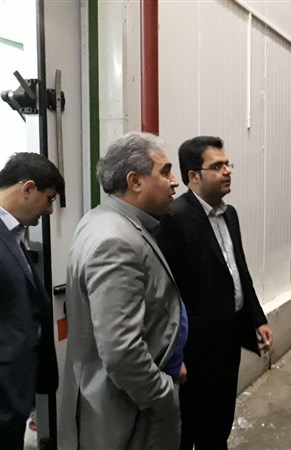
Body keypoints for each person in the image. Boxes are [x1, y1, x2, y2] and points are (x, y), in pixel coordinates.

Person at [58, 132, 187, 450]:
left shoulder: (103, 220)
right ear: (135, 181)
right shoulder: (116, 241)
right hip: (129, 414)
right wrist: (163, 395)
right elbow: (121, 352)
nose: (175, 182)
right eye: (165, 172)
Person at [156, 136, 273, 449]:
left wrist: (257, 318)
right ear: (193, 176)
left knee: (219, 423)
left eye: (227, 164)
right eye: (217, 166)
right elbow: (165, 295)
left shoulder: (229, 214)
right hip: (194, 350)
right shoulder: (175, 219)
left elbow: (239, 271)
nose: (227, 171)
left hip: (228, 340)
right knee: (189, 428)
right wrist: (174, 355)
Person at [0, 152, 63, 450]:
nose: (49, 210)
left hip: (14, 391)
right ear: (27, 189)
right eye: (49, 199)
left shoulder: (14, 234)